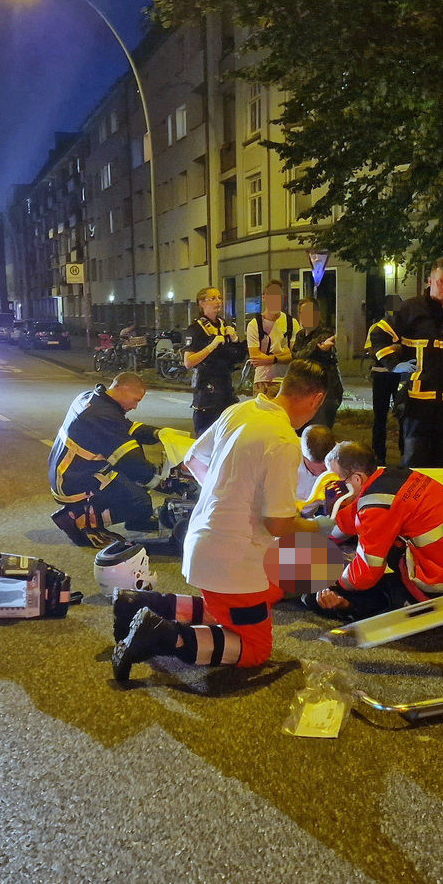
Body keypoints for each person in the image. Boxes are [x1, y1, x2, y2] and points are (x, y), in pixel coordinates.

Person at [111, 360, 330, 679]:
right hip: (235, 559)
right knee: (255, 650)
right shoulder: (284, 441)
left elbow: (193, 460)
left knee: (233, 609)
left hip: (204, 539)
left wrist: (229, 497)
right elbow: (278, 524)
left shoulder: (241, 411)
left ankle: (144, 604)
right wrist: (316, 527)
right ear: (317, 399)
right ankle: (163, 636)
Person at [302, 440, 443, 621]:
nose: (331, 486)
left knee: (325, 593)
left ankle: (359, 605)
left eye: (335, 478)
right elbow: (357, 520)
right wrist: (340, 509)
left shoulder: (376, 507)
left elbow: (365, 575)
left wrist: (335, 582)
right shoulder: (394, 477)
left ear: (357, 478)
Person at [380, 257, 443, 468]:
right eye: (440, 281)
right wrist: (394, 364)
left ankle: (439, 501)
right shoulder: (411, 309)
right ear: (429, 280)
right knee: (415, 460)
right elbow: (378, 334)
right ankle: (413, 501)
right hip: (417, 403)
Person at [47, 372, 162, 545]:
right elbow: (132, 462)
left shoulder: (92, 399)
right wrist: (160, 479)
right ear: (122, 389)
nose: (135, 406)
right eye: (136, 400)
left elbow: (127, 428)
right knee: (139, 501)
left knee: (135, 485)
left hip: (70, 471)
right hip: (74, 479)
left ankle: (138, 519)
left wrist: (159, 434)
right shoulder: (102, 414)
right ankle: (77, 519)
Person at [183, 287, 241, 435]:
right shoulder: (195, 329)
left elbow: (238, 357)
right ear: (202, 303)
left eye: (219, 298)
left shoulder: (224, 325)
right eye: (213, 298)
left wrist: (235, 340)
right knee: (206, 439)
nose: (218, 301)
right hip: (207, 394)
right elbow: (188, 362)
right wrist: (211, 346)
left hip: (226, 391)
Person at [291, 297, 343, 428]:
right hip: (305, 391)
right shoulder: (300, 335)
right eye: (304, 312)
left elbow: (300, 355)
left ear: (318, 314)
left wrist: (296, 354)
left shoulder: (325, 333)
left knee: (319, 434)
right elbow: (299, 357)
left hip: (326, 392)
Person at [245, 280, 297, 396]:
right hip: (263, 381)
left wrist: (271, 359)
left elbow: (294, 354)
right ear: (264, 297)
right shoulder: (255, 324)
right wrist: (283, 354)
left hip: (287, 381)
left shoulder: (291, 323)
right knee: (263, 413)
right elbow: (256, 357)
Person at [365, 304, 403, 463]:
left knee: (403, 415)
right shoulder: (377, 328)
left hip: (400, 376)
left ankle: (405, 453)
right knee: (380, 417)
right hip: (381, 376)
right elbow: (370, 350)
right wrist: (392, 349)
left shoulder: (405, 328)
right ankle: (378, 455)